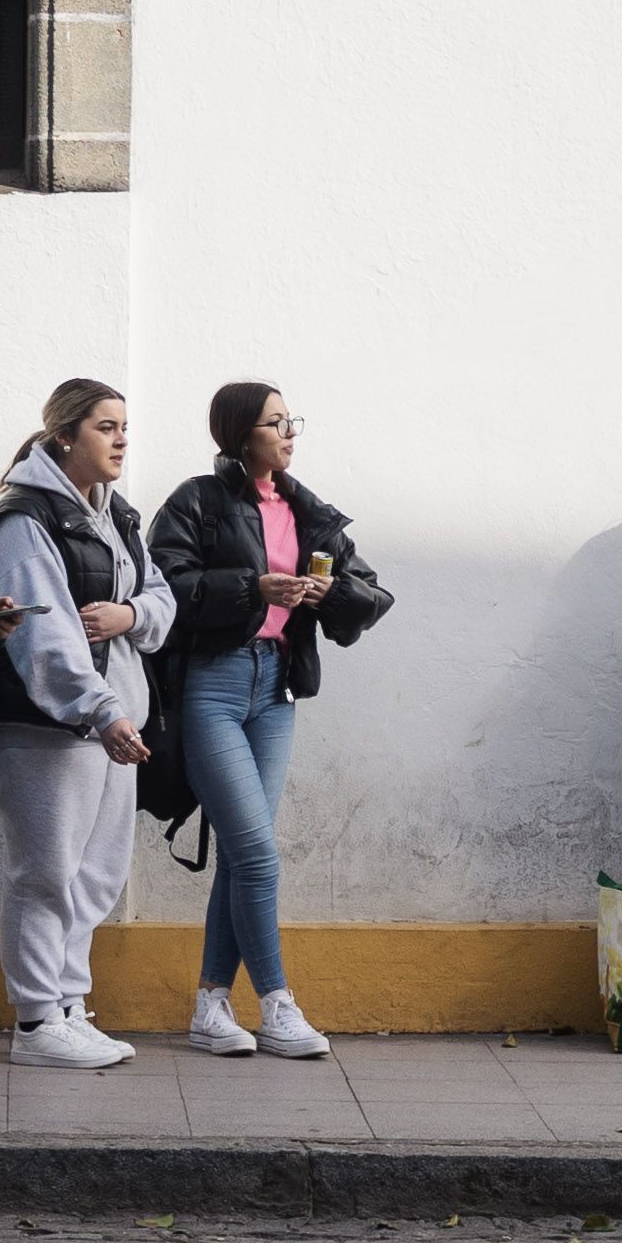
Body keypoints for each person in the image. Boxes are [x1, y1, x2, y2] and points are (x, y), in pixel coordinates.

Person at [147, 382, 393, 1058]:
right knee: (256, 851)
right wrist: (249, 588)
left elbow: (372, 594)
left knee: (241, 850)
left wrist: (329, 592)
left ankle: (211, 1004)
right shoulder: (197, 500)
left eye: (292, 422)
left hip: (277, 688)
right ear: (238, 433)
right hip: (213, 685)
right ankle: (278, 1002)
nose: (288, 434)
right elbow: (162, 586)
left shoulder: (306, 509)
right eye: (274, 423)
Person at [0, 381, 176, 1068]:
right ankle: (36, 1023)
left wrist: (131, 616)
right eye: (105, 426)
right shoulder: (24, 518)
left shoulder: (116, 515)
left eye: (126, 426)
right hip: (47, 726)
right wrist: (100, 710)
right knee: (46, 872)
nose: (121, 439)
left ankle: (67, 1003)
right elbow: (44, 634)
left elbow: (160, 598)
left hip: (110, 721)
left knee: (95, 874)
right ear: (64, 435)